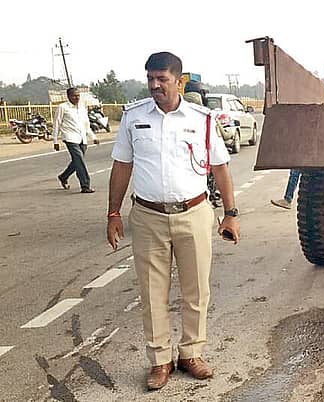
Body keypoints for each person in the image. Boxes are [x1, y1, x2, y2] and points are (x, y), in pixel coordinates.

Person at [106, 52, 240, 391]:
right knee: (153, 293)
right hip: (148, 216)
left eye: (162, 79)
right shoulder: (134, 117)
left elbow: (220, 168)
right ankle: (160, 361)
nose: (155, 85)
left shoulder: (202, 119)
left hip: (194, 214)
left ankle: (191, 354)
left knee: (197, 289)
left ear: (179, 81)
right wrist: (113, 213)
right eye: (150, 78)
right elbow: (122, 166)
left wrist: (231, 213)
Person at [54, 87, 98, 193]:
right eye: (74, 96)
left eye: (78, 95)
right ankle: (85, 185)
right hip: (70, 137)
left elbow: (86, 125)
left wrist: (93, 137)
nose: (76, 98)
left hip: (82, 138)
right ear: (68, 96)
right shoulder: (63, 107)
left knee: (77, 161)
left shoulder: (82, 108)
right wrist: (55, 141)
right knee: (79, 160)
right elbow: (57, 123)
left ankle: (63, 176)